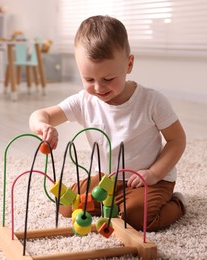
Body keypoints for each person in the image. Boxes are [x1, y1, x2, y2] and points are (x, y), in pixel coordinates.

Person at [29, 15, 186, 231]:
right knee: (66, 204)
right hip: (107, 180)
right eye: (89, 80)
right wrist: (42, 125)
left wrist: (155, 173)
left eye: (108, 79)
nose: (99, 88)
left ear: (129, 64)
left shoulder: (152, 101)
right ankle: (111, 203)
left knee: (137, 218)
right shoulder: (84, 101)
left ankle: (177, 203)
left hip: (148, 180)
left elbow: (177, 140)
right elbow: (42, 114)